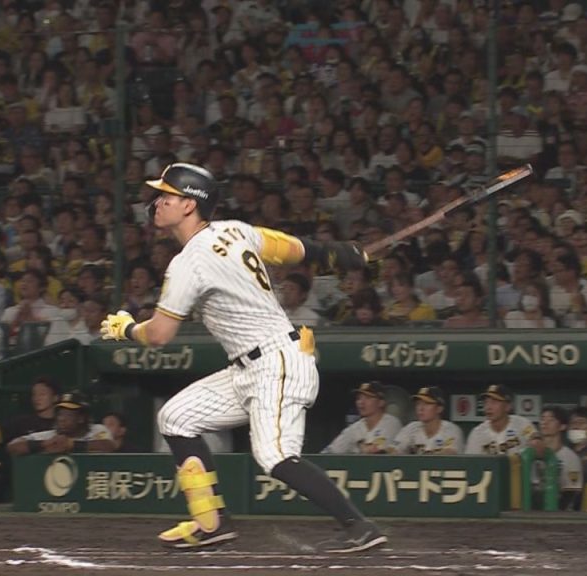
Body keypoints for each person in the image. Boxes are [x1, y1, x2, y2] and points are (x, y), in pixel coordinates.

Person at [100, 163, 385, 552]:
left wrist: (127, 329)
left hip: (277, 363)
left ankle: (359, 526)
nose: (157, 202)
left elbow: (160, 335)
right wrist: (336, 254)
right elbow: (290, 248)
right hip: (249, 366)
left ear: (189, 205)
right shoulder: (234, 229)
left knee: (275, 456)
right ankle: (211, 522)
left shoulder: (189, 261)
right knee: (175, 418)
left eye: (167, 196)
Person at [6, 391, 115, 455]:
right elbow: (12, 447)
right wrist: (44, 444)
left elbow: (109, 446)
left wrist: (71, 444)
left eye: (68, 415)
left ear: (81, 418)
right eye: (60, 414)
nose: (62, 419)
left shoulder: (97, 430)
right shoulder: (50, 436)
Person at [321, 382, 404, 454]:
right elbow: (330, 451)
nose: (361, 402)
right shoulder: (355, 428)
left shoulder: (391, 423)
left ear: (381, 402)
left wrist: (360, 447)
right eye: (359, 398)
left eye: (368, 398)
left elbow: (378, 452)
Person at [532, 406, 583, 510]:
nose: (545, 423)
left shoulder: (570, 457)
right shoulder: (530, 453)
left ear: (562, 426)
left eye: (551, 420)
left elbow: (572, 492)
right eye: (543, 419)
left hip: (559, 510)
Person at [465, 384, 537, 455]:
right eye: (486, 402)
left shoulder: (523, 425)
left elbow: (537, 443)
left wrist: (535, 442)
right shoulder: (477, 434)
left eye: (494, 402)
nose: (488, 407)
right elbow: (471, 461)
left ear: (508, 406)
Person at [390, 386, 464, 455]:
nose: (421, 408)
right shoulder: (411, 428)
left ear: (439, 408)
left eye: (427, 403)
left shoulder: (451, 430)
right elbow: (393, 450)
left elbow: (450, 454)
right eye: (418, 404)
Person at [3, 376, 59, 443]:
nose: (37, 398)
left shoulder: (62, 424)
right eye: (34, 394)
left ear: (55, 398)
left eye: (42, 394)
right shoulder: (20, 423)